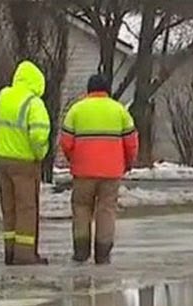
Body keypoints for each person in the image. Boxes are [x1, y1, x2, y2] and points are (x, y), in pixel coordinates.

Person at [59, 74, 138, 264]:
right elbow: (131, 143)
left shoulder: (76, 110)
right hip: (111, 172)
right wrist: (127, 163)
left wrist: (74, 160)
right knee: (106, 210)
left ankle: (81, 251)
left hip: (83, 171)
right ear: (107, 90)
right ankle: (102, 253)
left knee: (81, 208)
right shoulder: (119, 111)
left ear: (89, 90)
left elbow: (66, 142)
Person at [0, 60, 51, 265]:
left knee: (8, 208)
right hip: (25, 162)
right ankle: (25, 255)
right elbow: (39, 135)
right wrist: (40, 154)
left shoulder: (3, 97)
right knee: (26, 208)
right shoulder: (34, 103)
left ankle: (9, 251)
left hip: (2, 160)